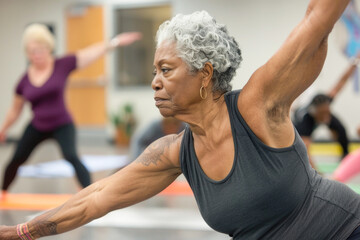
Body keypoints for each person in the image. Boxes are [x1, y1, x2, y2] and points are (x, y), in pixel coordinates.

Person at [2, 1, 360, 239]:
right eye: (155, 70)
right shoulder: (175, 152)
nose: (155, 81)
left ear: (204, 74)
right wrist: (22, 232)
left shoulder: (255, 106)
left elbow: (317, 21)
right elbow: (96, 197)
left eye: (166, 69)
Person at [0, 24, 141, 198]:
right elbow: (15, 110)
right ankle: (3, 192)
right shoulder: (23, 81)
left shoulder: (62, 65)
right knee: (17, 158)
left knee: (71, 156)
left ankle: (90, 195)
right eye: (32, 52)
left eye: (41, 50)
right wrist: (4, 129)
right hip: (37, 125)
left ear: (49, 48)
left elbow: (90, 53)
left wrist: (116, 41)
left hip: (62, 124)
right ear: (27, 53)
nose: (37, 55)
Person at [293, 56, 360, 168]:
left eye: (327, 112)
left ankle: (345, 155)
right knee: (300, 147)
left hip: (318, 111)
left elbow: (342, 81)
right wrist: (317, 173)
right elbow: (305, 152)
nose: (326, 117)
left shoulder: (326, 105)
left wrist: (355, 62)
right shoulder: (306, 121)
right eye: (323, 114)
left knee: (340, 129)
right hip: (303, 118)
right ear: (315, 112)